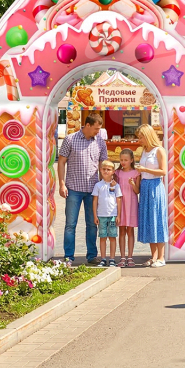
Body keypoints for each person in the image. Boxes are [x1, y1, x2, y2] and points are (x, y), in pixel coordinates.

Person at [58, 113, 108, 265]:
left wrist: (105, 185)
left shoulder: (100, 141)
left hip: (93, 189)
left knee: (92, 224)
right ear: (87, 125)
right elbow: (61, 162)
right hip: (73, 188)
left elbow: (103, 165)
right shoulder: (70, 139)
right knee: (70, 224)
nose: (98, 131)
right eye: (96, 128)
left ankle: (92, 256)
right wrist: (61, 184)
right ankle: (68, 257)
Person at [136, 124, 168, 267]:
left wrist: (145, 169)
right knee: (149, 220)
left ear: (148, 136)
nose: (139, 140)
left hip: (155, 186)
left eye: (141, 137)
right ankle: (153, 256)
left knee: (157, 220)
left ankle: (161, 257)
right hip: (145, 187)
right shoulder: (144, 150)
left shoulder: (159, 150)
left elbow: (163, 171)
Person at [92, 160, 122, 267]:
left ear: (113, 171)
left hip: (112, 215)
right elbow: (95, 201)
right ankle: (103, 258)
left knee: (112, 237)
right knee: (102, 237)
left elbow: (119, 200)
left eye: (108, 169)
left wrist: (118, 215)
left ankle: (112, 258)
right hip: (101, 215)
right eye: (104, 169)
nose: (106, 171)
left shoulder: (116, 185)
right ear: (100, 170)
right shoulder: (98, 185)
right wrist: (95, 215)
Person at [115, 149, 140, 267]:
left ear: (131, 160)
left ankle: (130, 257)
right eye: (121, 160)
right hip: (120, 203)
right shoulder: (117, 173)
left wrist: (133, 184)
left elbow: (137, 191)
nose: (123, 162)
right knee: (121, 230)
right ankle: (122, 257)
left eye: (126, 160)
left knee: (130, 230)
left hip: (131, 203)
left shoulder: (136, 173)